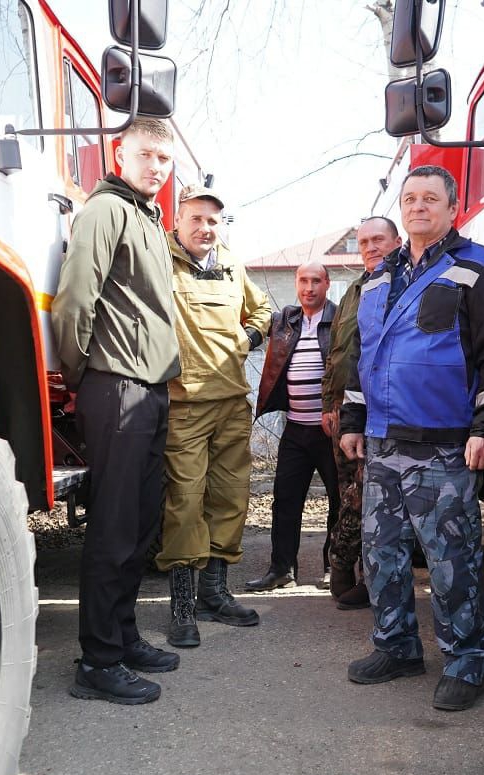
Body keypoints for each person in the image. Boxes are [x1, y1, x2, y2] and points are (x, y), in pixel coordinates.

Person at [339, 165, 484, 712]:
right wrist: (353, 420)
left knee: (451, 558)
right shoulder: (378, 277)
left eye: (430, 198)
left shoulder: (479, 266)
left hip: (443, 442)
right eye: (410, 198)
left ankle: (467, 661)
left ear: (453, 208)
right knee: (381, 553)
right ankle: (396, 647)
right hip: (383, 441)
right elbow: (363, 354)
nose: (418, 206)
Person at [51, 117, 181, 705]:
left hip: (151, 388)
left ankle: (123, 637)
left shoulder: (147, 218)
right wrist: (82, 374)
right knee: (112, 527)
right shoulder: (105, 210)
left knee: (140, 524)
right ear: (118, 154)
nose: (156, 166)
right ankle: (98, 661)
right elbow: (76, 299)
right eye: (146, 154)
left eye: (165, 159)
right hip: (118, 385)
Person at [157, 184, 272, 648]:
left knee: (230, 498)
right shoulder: (159, 259)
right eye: (196, 219)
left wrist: (248, 338)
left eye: (213, 221)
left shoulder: (231, 264)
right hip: (184, 404)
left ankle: (213, 593)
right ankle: (182, 606)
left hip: (232, 403)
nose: (205, 228)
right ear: (177, 221)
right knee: (185, 504)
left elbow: (262, 310)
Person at [320, 217, 402, 610]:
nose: (370, 247)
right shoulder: (354, 290)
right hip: (345, 409)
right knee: (347, 492)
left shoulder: (403, 282)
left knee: (368, 495)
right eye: (363, 241)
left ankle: (359, 572)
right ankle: (346, 571)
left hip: (380, 408)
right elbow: (338, 352)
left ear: (396, 242)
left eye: (378, 240)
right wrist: (329, 404)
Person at [246, 262, 340, 592]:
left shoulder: (341, 319)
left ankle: (336, 568)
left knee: (339, 501)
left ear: (327, 284)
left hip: (332, 432)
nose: (309, 288)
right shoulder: (285, 320)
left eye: (316, 281)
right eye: (303, 281)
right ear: (296, 283)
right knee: (285, 500)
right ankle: (281, 570)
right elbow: (253, 320)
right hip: (295, 429)